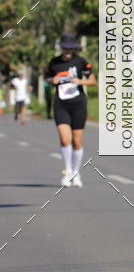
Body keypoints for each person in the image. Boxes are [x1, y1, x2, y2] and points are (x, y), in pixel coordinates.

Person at [46, 33, 96, 188]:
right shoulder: (54, 63)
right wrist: (51, 80)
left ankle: (76, 171)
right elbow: (47, 78)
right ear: (61, 47)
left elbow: (93, 81)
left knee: (76, 141)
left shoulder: (81, 62)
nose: (68, 50)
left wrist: (79, 80)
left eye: (71, 48)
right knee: (64, 139)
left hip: (78, 104)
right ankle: (67, 171)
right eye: (65, 47)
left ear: (74, 49)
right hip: (61, 105)